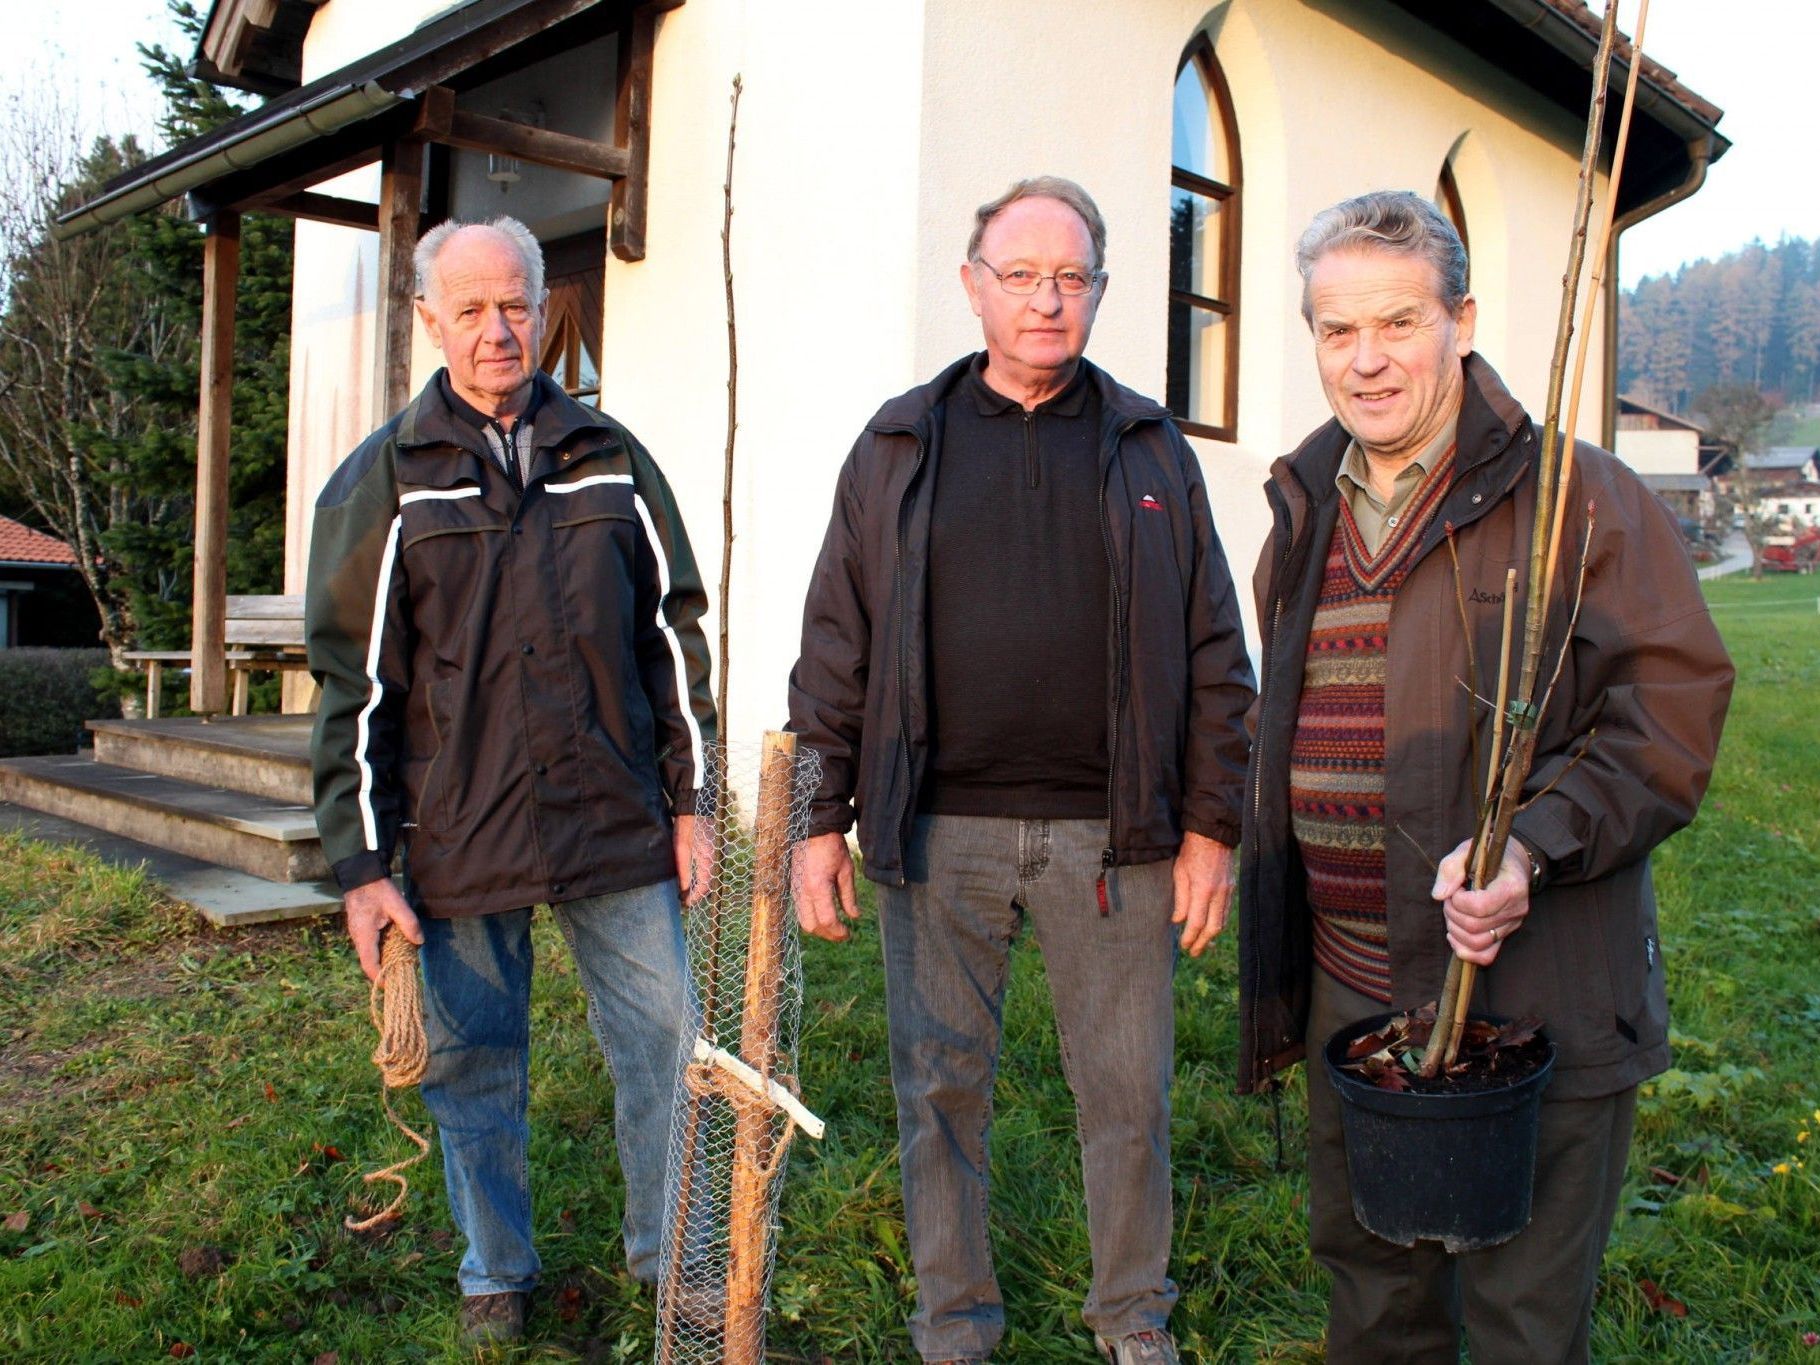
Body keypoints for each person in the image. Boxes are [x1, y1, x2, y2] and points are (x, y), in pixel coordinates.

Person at [1237, 190, 1733, 1363]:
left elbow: (1669, 711)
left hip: (1534, 990)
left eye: (1397, 323)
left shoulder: (1578, 499)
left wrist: (1530, 843)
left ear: (1459, 320)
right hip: (1350, 992)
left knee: (1520, 1316)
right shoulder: (1301, 509)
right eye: (1334, 330)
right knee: (1371, 1297)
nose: (1365, 362)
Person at [786, 176, 1255, 1365]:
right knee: (938, 1091)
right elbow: (835, 641)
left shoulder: (1148, 445)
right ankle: (952, 1322)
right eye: (1020, 275)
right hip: (938, 830)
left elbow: (1213, 648)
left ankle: (1130, 1316)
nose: (1046, 301)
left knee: (1126, 1096)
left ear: (1098, 291)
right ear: (971, 285)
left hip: (1116, 835)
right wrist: (814, 820)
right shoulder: (899, 443)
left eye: (1069, 278)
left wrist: (1212, 825)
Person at [305, 216, 715, 1346]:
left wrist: (691, 803)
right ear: (428, 319)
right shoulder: (383, 481)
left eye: (517, 306)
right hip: (458, 833)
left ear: (547, 310)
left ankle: (667, 1255)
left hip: (611, 816)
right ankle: (496, 1266)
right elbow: (355, 688)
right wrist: (361, 864)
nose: (498, 330)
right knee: (472, 1063)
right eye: (471, 309)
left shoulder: (609, 455)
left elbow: (671, 640)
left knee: (664, 1047)